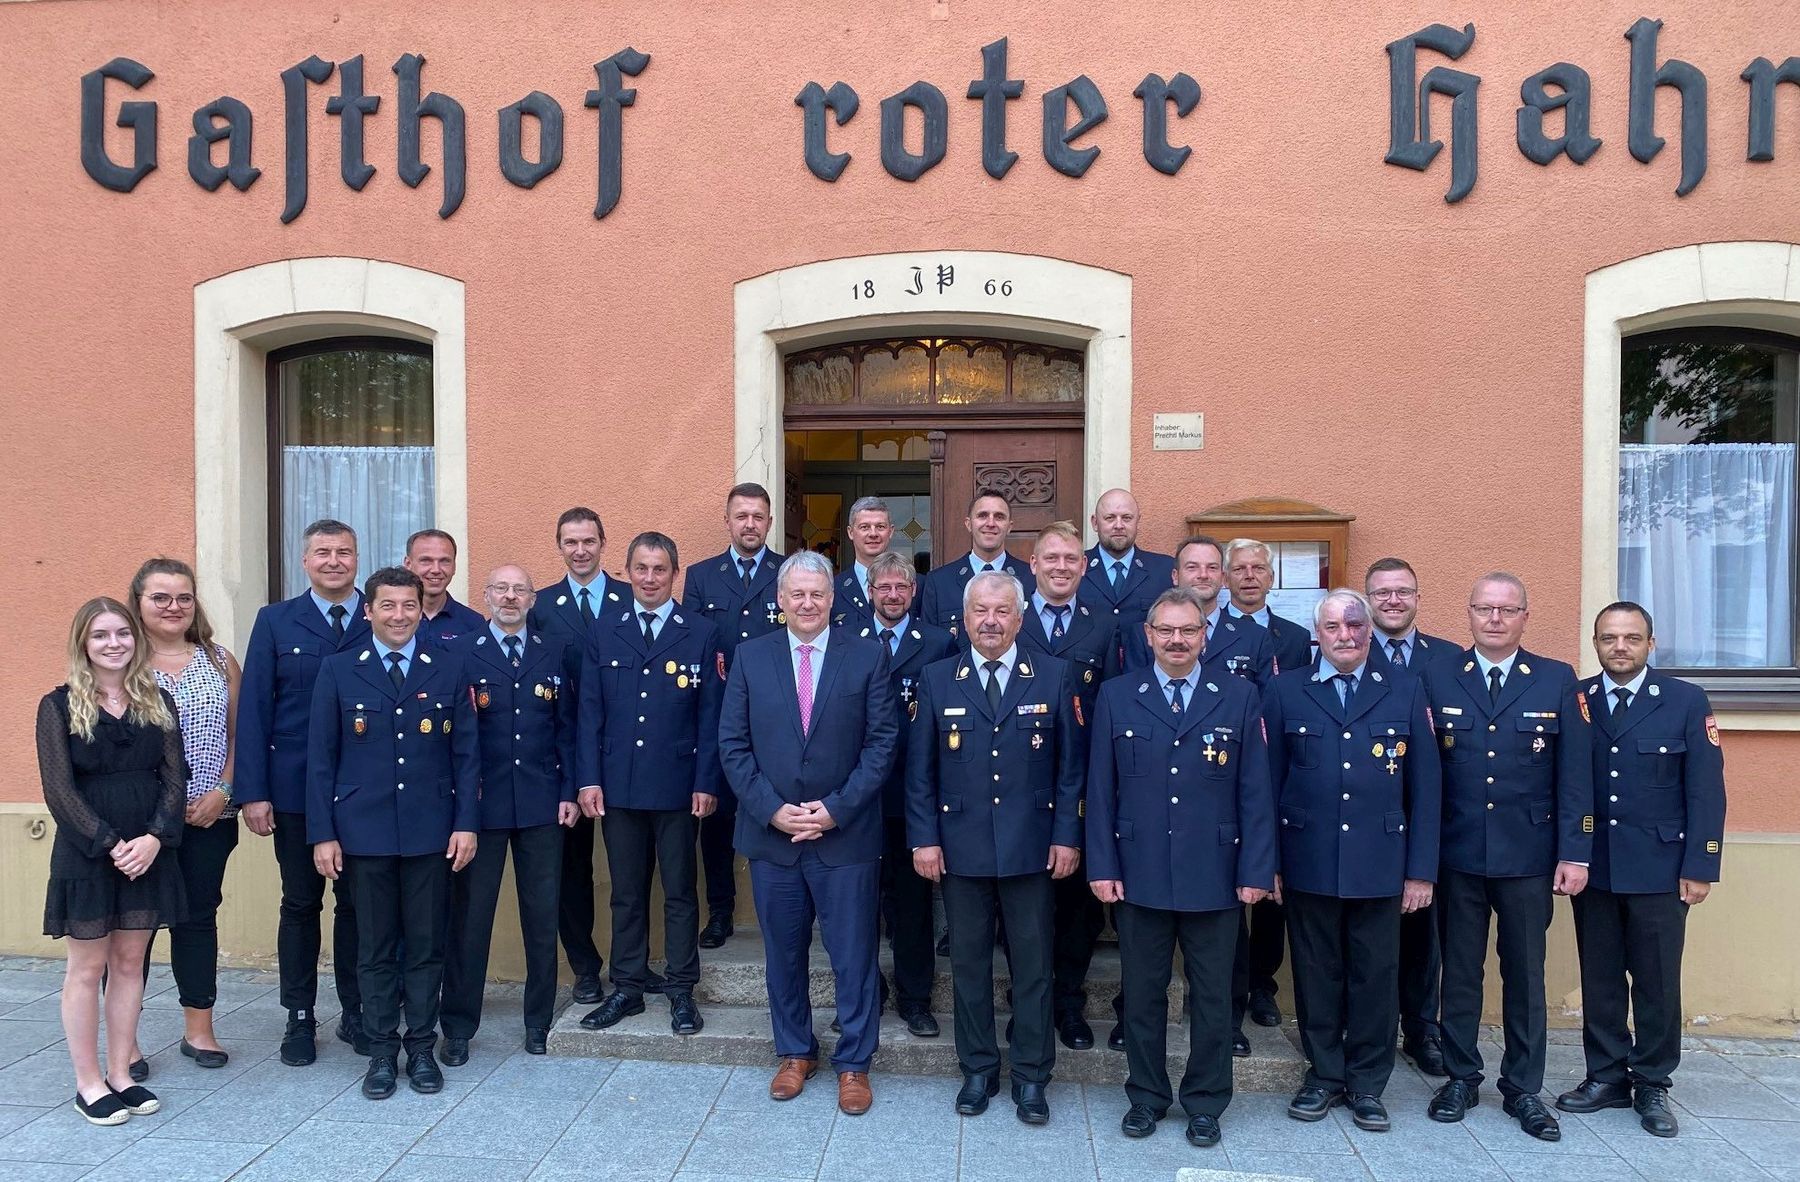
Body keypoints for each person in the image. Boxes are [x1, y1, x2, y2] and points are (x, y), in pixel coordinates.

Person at [1085, 587, 1276, 1149]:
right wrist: (1103, 863)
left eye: (1188, 630)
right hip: (1139, 873)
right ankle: (1146, 1096)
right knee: (1142, 994)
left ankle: (1205, 1101)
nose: (1176, 640)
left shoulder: (1239, 696)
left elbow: (1255, 791)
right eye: (1166, 630)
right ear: (1148, 636)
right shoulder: (1119, 696)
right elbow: (1101, 789)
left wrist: (1255, 870)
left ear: (1203, 636)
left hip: (1216, 874)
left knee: (1214, 998)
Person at [717, 551, 897, 1116]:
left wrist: (835, 810)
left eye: (817, 593)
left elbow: (882, 744)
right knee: (784, 954)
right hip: (774, 837)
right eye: (797, 594)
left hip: (845, 836)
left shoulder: (867, 657)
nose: (807, 602)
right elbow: (733, 745)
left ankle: (853, 1064)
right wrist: (772, 810)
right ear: (780, 600)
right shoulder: (750, 657)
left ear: (832, 597)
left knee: (852, 956)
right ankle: (795, 1052)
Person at [907, 571, 1084, 1124]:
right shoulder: (937, 679)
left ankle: (1032, 1075)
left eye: (1002, 611)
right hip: (960, 849)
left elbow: (1071, 770)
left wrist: (1066, 836)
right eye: (981, 611)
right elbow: (920, 774)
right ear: (964, 618)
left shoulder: (1054, 676)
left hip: (1032, 847)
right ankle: (978, 1069)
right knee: (968, 964)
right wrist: (925, 840)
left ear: (1020, 617)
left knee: (1033, 966)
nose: (991, 621)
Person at [1422, 572, 1593, 1142]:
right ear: (1468, 614)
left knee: (1524, 974)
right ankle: (1461, 1076)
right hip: (1458, 851)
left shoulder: (1554, 679)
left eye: (1506, 610)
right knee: (1460, 973)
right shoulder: (1438, 675)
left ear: (1525, 616)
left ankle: (1523, 1088)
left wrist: (1575, 851)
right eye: (1484, 609)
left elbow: (1575, 776)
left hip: (1529, 855)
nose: (1494, 619)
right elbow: (1424, 775)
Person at [1262, 590, 1441, 1132]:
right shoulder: (1284, 689)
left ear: (1369, 632)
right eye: (1333, 626)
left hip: (1380, 862)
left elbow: (1426, 789)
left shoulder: (1406, 690)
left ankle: (1367, 1083)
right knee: (1317, 973)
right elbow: (1265, 784)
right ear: (1316, 634)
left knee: (1375, 976)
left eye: (1355, 625)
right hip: (1307, 857)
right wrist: (1266, 864)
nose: (1345, 634)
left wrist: (1420, 870)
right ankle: (1324, 1075)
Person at [305, 567, 480, 1100]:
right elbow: (321, 760)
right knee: (375, 950)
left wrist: (466, 824)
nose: (400, 615)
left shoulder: (448, 669)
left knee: (427, 948)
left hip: (431, 831)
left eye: (408, 606)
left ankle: (422, 1048)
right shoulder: (338, 671)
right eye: (389, 606)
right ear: (369, 611)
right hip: (364, 834)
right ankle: (382, 1053)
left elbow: (467, 755)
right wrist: (323, 834)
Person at [1555, 602, 1726, 1138]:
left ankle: (1652, 1081)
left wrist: (1701, 864)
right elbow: (1569, 785)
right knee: (1601, 978)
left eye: (1631, 638)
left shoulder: (1683, 700)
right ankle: (1605, 1075)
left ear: (1651, 644)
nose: (1620, 647)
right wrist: (1570, 853)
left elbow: (1705, 788)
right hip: (1596, 866)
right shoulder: (1578, 698)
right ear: (1596, 643)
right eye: (1609, 638)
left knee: (1654, 980)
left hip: (1660, 866)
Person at [39, 598, 186, 1126]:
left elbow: (175, 778)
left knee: (129, 964)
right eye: (100, 635)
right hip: (88, 852)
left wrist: (153, 839)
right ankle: (88, 1082)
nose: (113, 643)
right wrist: (108, 843)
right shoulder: (57, 706)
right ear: (84, 642)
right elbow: (58, 789)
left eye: (122, 633)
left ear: (135, 639)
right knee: (87, 968)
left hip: (146, 852)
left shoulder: (158, 701)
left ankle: (121, 1072)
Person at [577, 532, 725, 1037]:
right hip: (618, 787)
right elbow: (589, 713)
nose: (649, 578)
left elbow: (711, 716)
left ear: (675, 574)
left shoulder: (700, 632)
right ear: (627, 571)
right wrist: (588, 779)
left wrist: (707, 780)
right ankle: (627, 986)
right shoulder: (604, 630)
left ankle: (682, 990)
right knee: (626, 892)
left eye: (659, 569)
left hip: (681, 787)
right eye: (640, 568)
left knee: (681, 891)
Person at [234, 519, 369, 1066]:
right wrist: (253, 793)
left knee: (358, 907)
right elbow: (255, 711)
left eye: (344, 551)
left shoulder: (381, 614)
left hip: (364, 790)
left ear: (358, 557)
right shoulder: (276, 621)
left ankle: (357, 1012)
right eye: (323, 552)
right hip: (291, 788)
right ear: (304, 560)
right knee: (300, 902)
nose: (334, 560)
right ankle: (299, 1016)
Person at [440, 566, 579, 1062]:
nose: (510, 597)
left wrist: (567, 789)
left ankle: (537, 1020)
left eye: (520, 589)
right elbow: (456, 738)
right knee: (470, 919)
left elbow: (567, 727)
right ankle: (457, 1026)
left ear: (533, 598)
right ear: (485, 597)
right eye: (501, 589)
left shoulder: (553, 652)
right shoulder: (461, 653)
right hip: (482, 805)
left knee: (541, 916)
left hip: (542, 802)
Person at [131, 559, 242, 1072]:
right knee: (133, 929)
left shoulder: (219, 661)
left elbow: (241, 736)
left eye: (183, 597)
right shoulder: (120, 661)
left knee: (198, 920)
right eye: (161, 597)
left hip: (207, 817)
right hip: (140, 824)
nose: (173, 607)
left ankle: (200, 1030)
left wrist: (224, 790)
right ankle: (125, 1041)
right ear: (138, 603)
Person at [1017, 520, 1118, 1050]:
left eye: (1071, 559)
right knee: (1022, 906)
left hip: (1080, 784)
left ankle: (1069, 1005)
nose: (1061, 567)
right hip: (1016, 785)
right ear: (1032, 565)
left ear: (1084, 566)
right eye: (1050, 558)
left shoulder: (1104, 626)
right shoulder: (1009, 620)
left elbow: (1115, 703)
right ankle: (1025, 1004)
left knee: (1078, 910)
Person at [527, 507, 627, 1007]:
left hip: (627, 752)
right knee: (573, 869)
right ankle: (585, 967)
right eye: (571, 542)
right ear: (559, 546)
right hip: (565, 756)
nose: (581, 550)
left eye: (589, 540)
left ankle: (633, 965)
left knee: (633, 866)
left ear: (603, 542)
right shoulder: (540, 605)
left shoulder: (631, 598)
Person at [1364, 556, 1460, 1077]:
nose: (1393, 601)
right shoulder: (1349, 650)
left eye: (1403, 592)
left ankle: (1421, 1027)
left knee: (1425, 931)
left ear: (1419, 598)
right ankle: (1362, 1028)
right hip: (1362, 816)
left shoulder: (1447, 660)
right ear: (1367, 599)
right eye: (1382, 594)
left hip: (1428, 815)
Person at [683, 482, 788, 950]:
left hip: (780, 720)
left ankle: (786, 913)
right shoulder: (702, 575)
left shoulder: (788, 572)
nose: (750, 524)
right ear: (727, 521)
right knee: (719, 818)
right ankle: (721, 911)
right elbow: (689, 641)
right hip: (723, 717)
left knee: (781, 809)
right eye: (741, 516)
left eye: (758, 516)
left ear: (769, 522)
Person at [862, 550, 954, 1037]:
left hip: (913, 797)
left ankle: (915, 997)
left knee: (914, 905)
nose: (893, 595)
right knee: (858, 905)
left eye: (901, 587)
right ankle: (864, 991)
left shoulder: (939, 644)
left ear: (913, 593)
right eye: (884, 588)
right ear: (870, 592)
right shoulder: (846, 640)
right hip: (857, 799)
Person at [1222, 537, 1308, 1031]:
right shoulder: (1212, 631)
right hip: (1228, 767)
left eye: (1258, 568)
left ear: (1271, 577)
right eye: (1241, 568)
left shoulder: (1293, 637)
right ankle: (1230, 981)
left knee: (1274, 887)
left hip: (1280, 766)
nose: (1250, 576)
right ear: (1227, 577)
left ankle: (1263, 985)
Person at [917, 489, 1036, 639]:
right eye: (982, 516)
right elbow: (931, 645)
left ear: (1009, 526)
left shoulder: (1031, 579)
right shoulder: (939, 582)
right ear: (969, 524)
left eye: (999, 517)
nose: (991, 523)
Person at [1081, 488, 1176, 641]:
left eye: (1126, 518)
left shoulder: (1164, 569)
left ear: (1137, 520)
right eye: (1110, 518)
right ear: (1095, 523)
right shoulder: (1074, 567)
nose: (1119, 525)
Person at [406, 529, 484, 645]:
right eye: (426, 561)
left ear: (454, 566)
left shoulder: (473, 623)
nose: (436, 570)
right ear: (408, 564)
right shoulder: (391, 619)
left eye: (444, 561)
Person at [832, 496, 897, 631]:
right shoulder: (833, 588)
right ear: (850, 532)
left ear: (890, 532)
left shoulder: (914, 586)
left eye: (880, 526)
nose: (873, 533)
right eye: (864, 527)